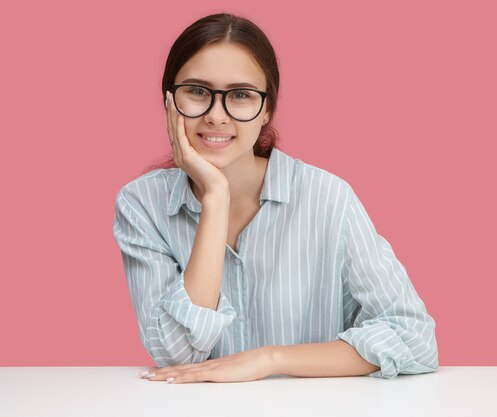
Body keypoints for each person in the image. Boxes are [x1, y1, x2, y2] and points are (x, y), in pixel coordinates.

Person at [112, 12, 438, 384]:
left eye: (240, 95)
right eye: (198, 91)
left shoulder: (326, 197)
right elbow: (175, 354)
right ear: (169, 101)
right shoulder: (142, 205)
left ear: (266, 108)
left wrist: (269, 359)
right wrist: (216, 199)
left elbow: (415, 339)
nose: (217, 116)